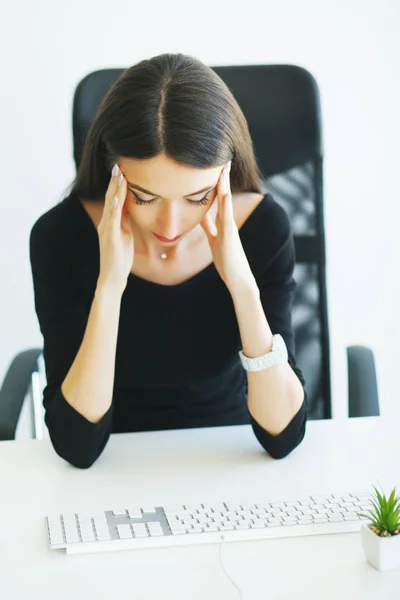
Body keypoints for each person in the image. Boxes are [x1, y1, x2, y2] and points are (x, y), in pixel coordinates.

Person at [29, 53, 307, 469]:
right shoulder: (61, 237)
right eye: (144, 196)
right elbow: (77, 446)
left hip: (227, 458)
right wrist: (110, 285)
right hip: (114, 466)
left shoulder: (263, 227)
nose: (171, 224)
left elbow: (283, 435)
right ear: (112, 171)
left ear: (224, 179)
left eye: (197, 198)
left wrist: (240, 280)